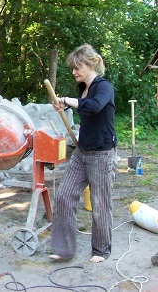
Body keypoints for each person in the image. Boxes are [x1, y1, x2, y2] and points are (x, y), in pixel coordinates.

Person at [49, 44, 118, 263]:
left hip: (102, 152)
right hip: (82, 151)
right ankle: (64, 249)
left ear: (92, 64)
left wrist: (68, 101)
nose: (74, 72)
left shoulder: (104, 87)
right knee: (64, 196)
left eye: (77, 67)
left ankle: (101, 250)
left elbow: (95, 106)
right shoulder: (83, 90)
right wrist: (65, 105)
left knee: (100, 203)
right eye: (73, 68)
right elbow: (84, 104)